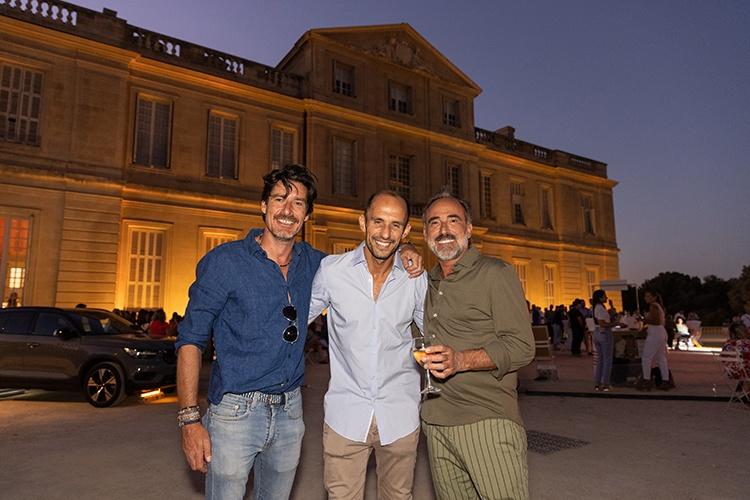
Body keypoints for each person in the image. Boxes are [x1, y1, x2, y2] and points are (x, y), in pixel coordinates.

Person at [175, 164, 422, 500]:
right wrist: (189, 420)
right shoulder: (224, 262)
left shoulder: (319, 265)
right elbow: (190, 339)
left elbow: (370, 256)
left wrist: (405, 250)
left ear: (307, 215)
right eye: (279, 199)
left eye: (298, 203)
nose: (287, 211)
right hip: (234, 412)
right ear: (263, 205)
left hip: (290, 412)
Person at [308, 190, 427, 500]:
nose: (386, 233)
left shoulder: (416, 278)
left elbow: (434, 332)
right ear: (363, 223)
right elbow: (294, 319)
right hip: (345, 416)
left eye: (395, 225)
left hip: (400, 416)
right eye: (378, 221)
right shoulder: (332, 271)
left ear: (406, 231)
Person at [419, 190, 535, 500]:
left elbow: (522, 346)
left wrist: (461, 360)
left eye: (453, 220)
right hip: (436, 420)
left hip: (486, 419)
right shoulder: (426, 282)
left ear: (469, 229)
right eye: (434, 222)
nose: (444, 230)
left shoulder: (495, 273)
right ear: (425, 233)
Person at [637, 290, 671, 391]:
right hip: (661, 332)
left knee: (646, 358)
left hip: (655, 333)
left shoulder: (653, 306)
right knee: (661, 358)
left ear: (654, 297)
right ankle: (665, 381)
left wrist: (643, 319)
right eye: (645, 296)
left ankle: (647, 381)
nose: (646, 298)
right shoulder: (659, 306)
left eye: (648, 296)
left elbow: (655, 321)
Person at [592, 289, 614, 392]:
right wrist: (616, 324)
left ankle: (597, 383)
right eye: (605, 296)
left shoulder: (596, 307)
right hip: (604, 333)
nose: (606, 297)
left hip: (597, 333)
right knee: (607, 359)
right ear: (600, 297)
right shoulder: (600, 308)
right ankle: (605, 384)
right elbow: (602, 324)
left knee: (601, 359)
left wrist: (611, 306)